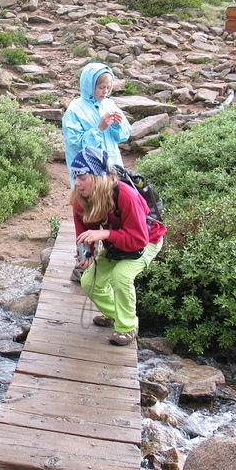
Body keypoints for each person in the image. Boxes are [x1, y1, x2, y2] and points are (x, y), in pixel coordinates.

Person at [69, 147, 166, 346]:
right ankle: (117, 314)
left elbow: (139, 239)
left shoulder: (126, 196)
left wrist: (105, 234)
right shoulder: (80, 198)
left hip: (148, 240)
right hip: (119, 242)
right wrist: (86, 254)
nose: (77, 183)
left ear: (98, 177)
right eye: (75, 176)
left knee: (120, 276)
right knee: (89, 283)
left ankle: (128, 327)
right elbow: (84, 230)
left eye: (83, 177)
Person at [62, 62, 130, 188]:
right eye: (101, 87)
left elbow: (123, 136)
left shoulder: (109, 104)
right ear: (90, 86)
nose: (105, 92)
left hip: (112, 166)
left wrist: (117, 124)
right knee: (91, 205)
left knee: (113, 202)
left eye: (108, 88)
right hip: (87, 173)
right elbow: (74, 143)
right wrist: (99, 129)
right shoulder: (75, 109)